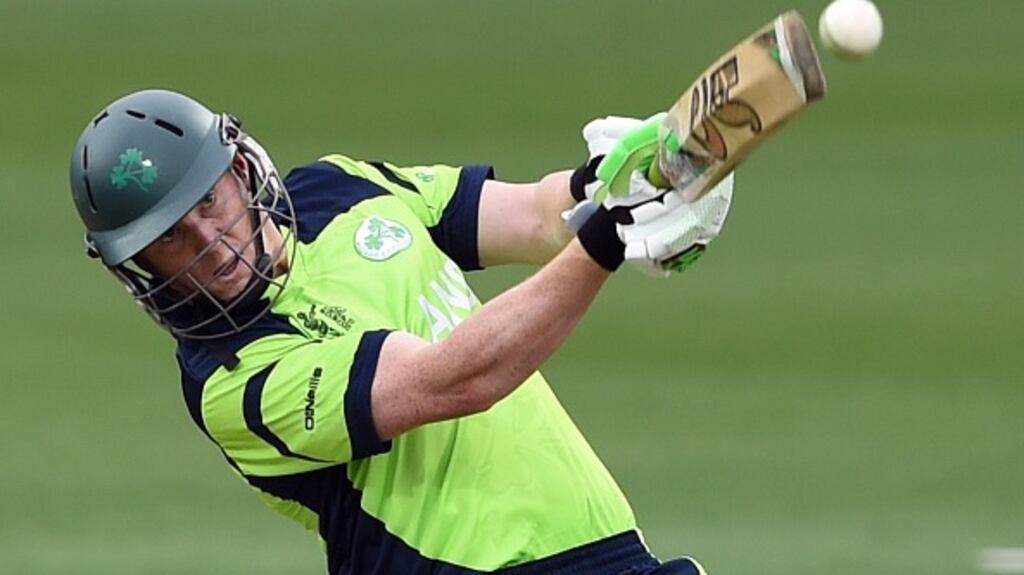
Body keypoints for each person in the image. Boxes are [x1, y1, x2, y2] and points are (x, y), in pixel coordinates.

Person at [69, 89, 733, 574]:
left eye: (206, 202)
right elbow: (455, 377)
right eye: (169, 241)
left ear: (239, 172)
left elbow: (536, 216)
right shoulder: (233, 381)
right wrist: (612, 234)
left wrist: (620, 178)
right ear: (140, 270)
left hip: (596, 549)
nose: (207, 243)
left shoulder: (339, 188)